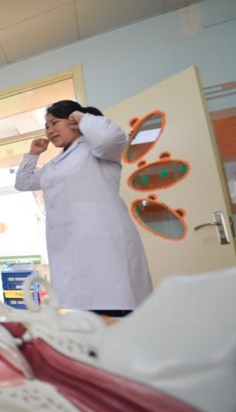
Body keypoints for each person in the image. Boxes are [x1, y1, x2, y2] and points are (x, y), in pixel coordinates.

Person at [14, 100, 152, 316]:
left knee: (115, 308)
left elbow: (111, 136)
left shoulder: (98, 150)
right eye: (46, 127)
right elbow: (23, 183)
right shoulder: (55, 165)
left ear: (73, 121)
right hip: (70, 246)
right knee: (88, 314)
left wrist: (81, 116)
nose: (49, 131)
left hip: (102, 243)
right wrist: (33, 155)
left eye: (54, 123)